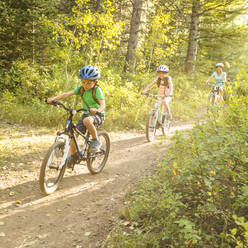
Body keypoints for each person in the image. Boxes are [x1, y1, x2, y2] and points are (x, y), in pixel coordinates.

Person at [47, 65, 105, 167]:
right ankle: (74, 156)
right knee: (73, 135)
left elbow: (103, 105)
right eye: (83, 82)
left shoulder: (97, 90)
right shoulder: (81, 89)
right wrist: (53, 99)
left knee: (87, 120)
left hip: (98, 115)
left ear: (95, 82)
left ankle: (96, 141)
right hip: (86, 114)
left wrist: (97, 110)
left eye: (88, 82)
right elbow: (66, 94)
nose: (85, 85)